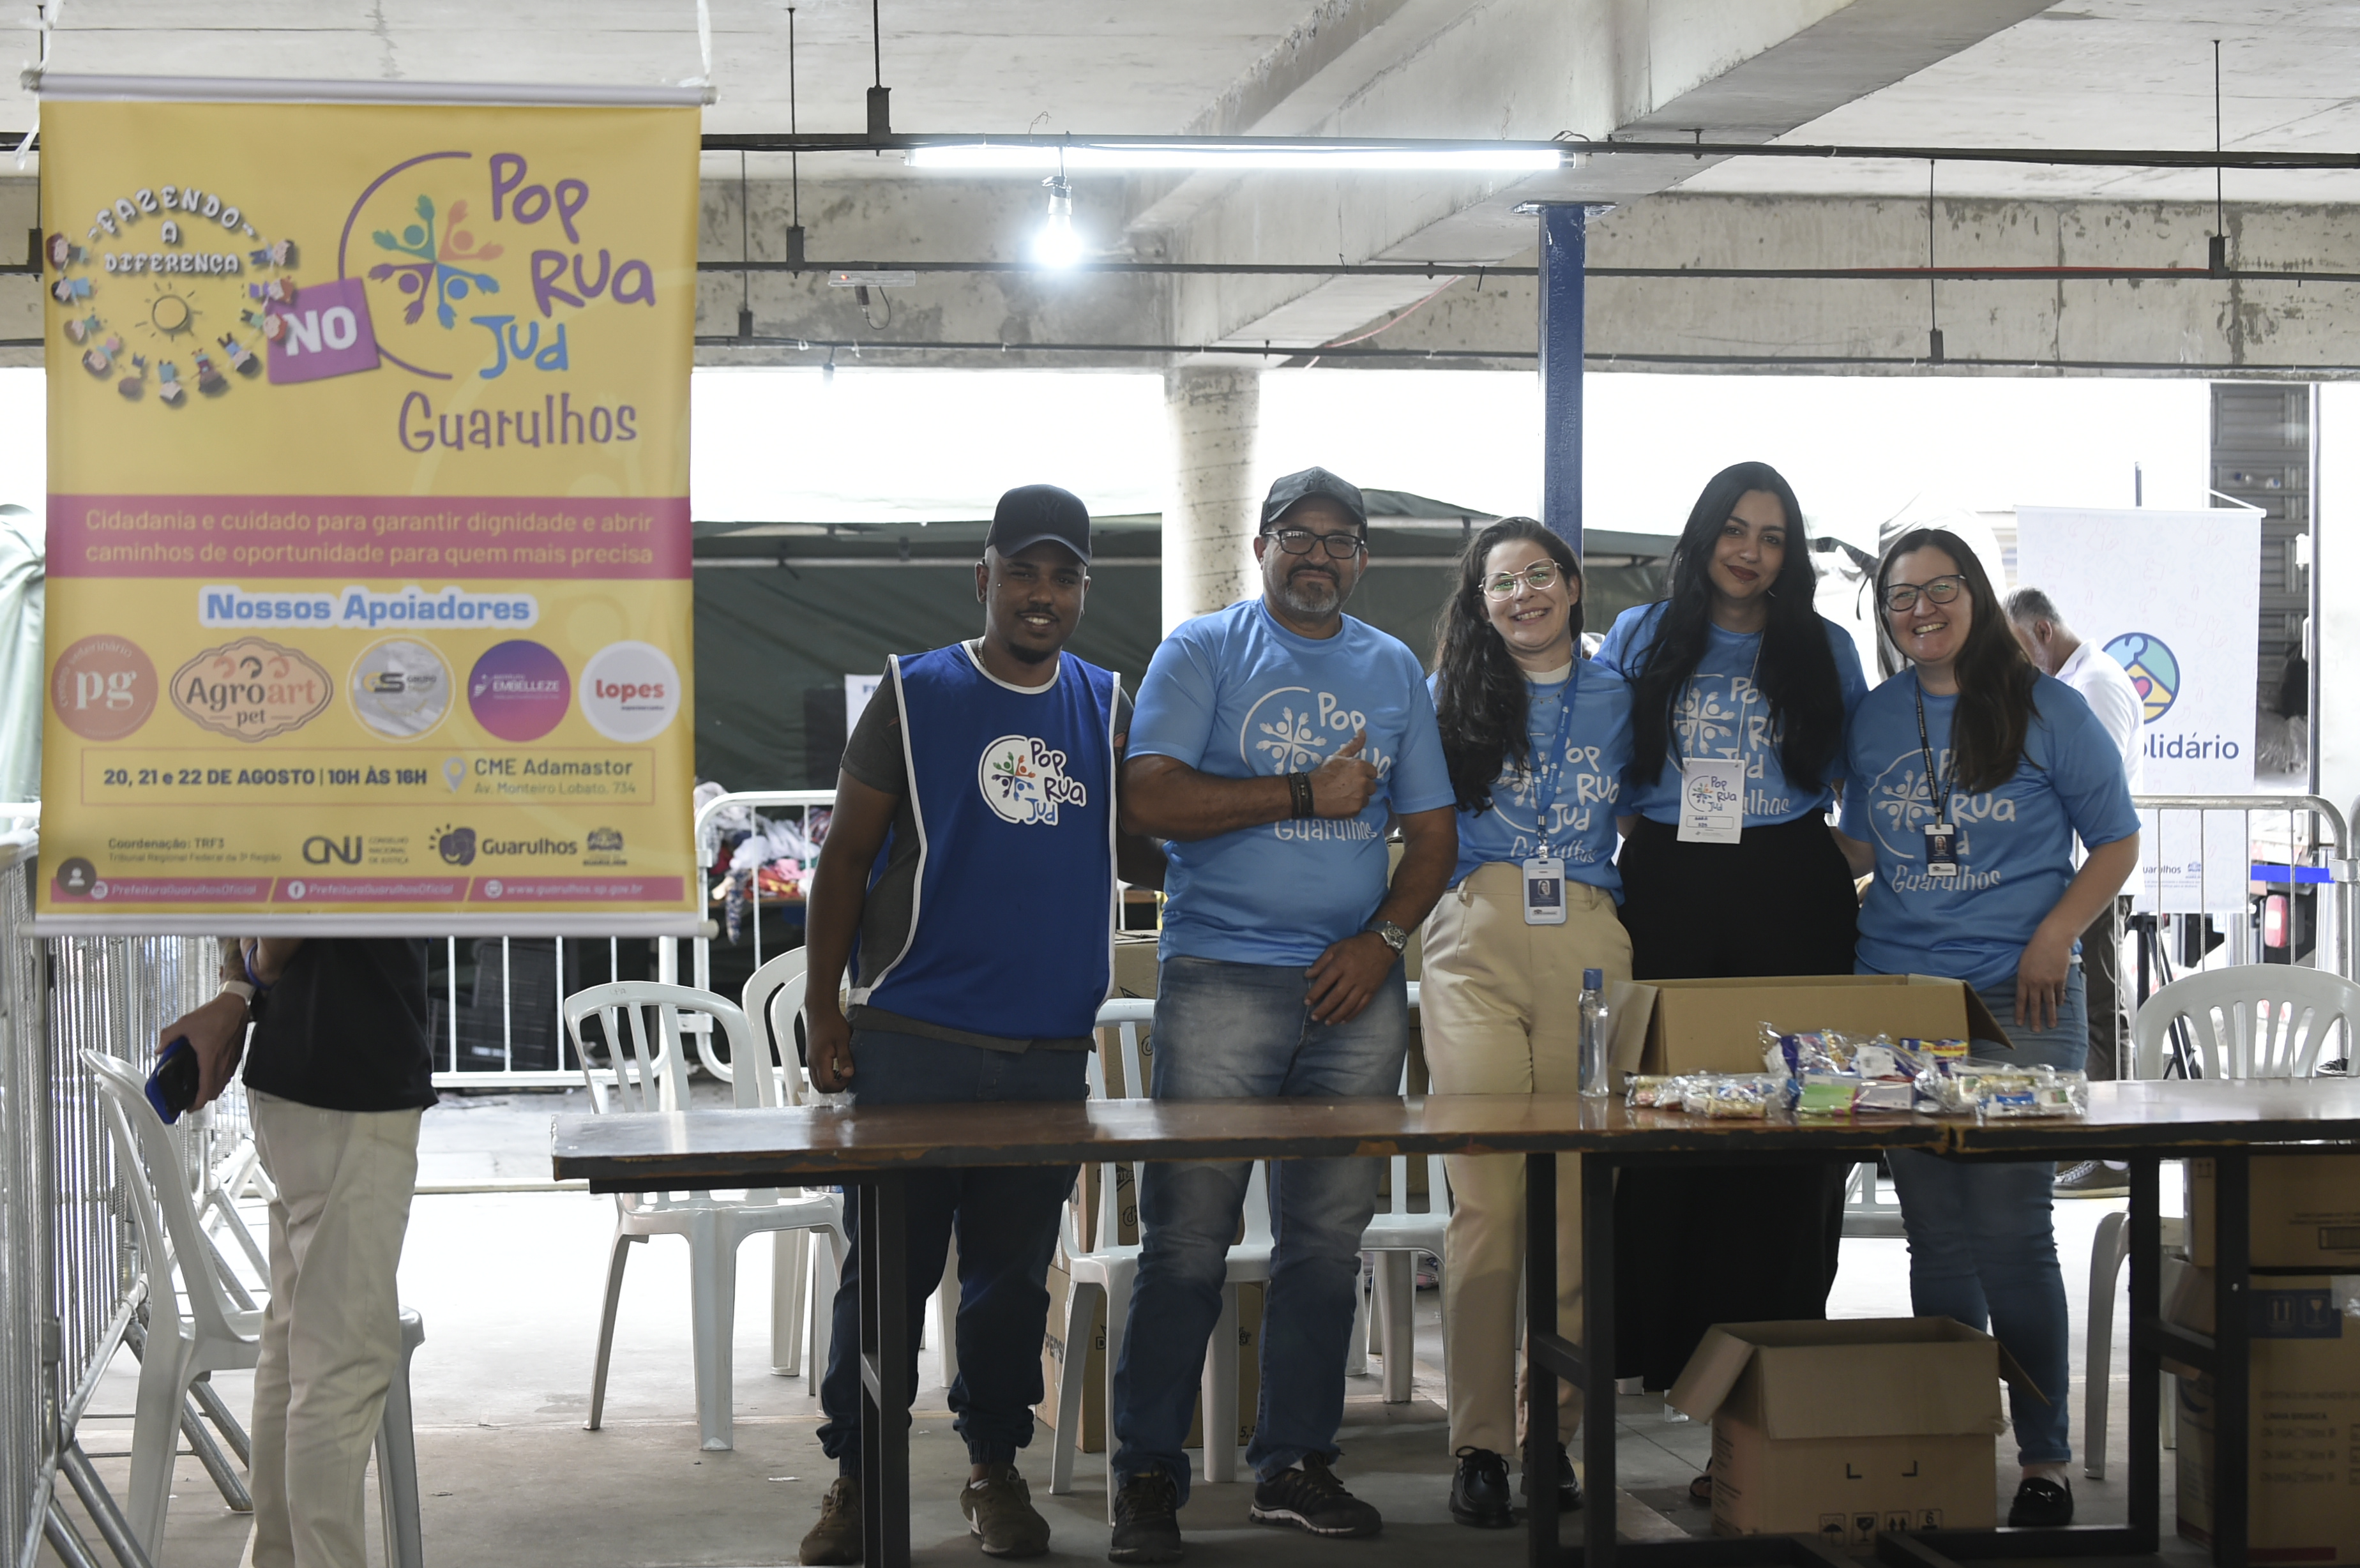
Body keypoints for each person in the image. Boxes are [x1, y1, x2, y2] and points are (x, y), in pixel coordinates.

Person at [798, 484, 1164, 1564]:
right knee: (886, 1278)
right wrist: (824, 1004)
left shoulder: (1106, 703)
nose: (1042, 595)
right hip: (912, 1038)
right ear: (985, 578)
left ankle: (993, 1466)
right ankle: (858, 1473)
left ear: (1084, 590)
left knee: (1010, 1285)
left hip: (1046, 1049)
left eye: (1063, 577)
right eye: (1022, 572)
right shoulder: (917, 692)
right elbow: (844, 858)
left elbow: (1144, 847)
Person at [1107, 466, 1457, 1562]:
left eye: (1339, 539)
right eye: (1296, 535)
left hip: (1355, 991)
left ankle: (1294, 1465)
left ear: (1363, 559)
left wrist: (1381, 943)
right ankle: (1147, 1474)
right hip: (1220, 976)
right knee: (1186, 1238)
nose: (1317, 554)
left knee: (1325, 1243)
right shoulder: (1204, 650)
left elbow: (1434, 837)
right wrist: (1305, 791)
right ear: (1259, 546)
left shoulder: (1392, 668)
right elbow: (1148, 796)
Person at [1834, 529, 2140, 1530]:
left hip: (2024, 1003)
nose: (1920, 610)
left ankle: (2044, 1458)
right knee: (1935, 1234)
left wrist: (2057, 933)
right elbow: (1859, 842)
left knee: (2011, 1230)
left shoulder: (2049, 709)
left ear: (1977, 592)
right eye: (1900, 597)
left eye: (1941, 589)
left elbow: (2117, 841)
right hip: (1899, 999)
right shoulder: (1875, 716)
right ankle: (1953, 1443)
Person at [1591, 462, 1868, 1438]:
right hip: (1669, 884)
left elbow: (1864, 779)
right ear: (1704, 535)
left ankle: (1774, 1353)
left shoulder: (1825, 647)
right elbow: (1607, 764)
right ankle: (1670, 1357)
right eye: (1737, 530)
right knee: (1669, 1113)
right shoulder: (1640, 634)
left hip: (1791, 889)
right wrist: (1656, 843)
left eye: (1774, 537)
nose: (1751, 552)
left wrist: (1812, 858)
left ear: (1791, 556)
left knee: (1791, 1123)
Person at [1422, 516, 1631, 1528]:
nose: (1522, 595)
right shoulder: (1446, 695)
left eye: (1539, 574)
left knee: (1579, 1203)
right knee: (1489, 1203)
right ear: (1481, 603)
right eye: (1500, 583)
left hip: (1590, 934)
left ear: (1573, 585)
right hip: (1475, 935)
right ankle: (1479, 1446)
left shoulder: (1623, 694)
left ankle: (1553, 1432)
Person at [162, 937, 434, 1568]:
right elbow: (303, 897)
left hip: (300, 1069)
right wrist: (258, 967)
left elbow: (260, 897)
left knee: (296, 1347)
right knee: (341, 1360)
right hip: (351, 1070)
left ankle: (281, 1556)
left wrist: (240, 987)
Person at [2006, 586, 2145, 1198]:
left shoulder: (2094, 686)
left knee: (2100, 1011)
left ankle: (2113, 1152)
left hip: (2096, 875)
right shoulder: (2074, 684)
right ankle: (2093, 1144)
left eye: (2016, 647)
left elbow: (2097, 789)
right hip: (2079, 874)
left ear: (2042, 630)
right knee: (2090, 1007)